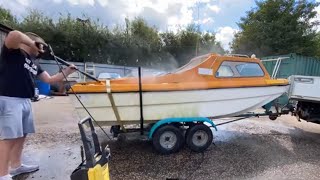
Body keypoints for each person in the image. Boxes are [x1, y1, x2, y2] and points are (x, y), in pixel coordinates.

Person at [0, 30, 76, 180]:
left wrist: (67, 71)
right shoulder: (13, 52)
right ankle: (2, 174)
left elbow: (49, 79)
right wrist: (31, 43)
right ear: (31, 42)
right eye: (40, 46)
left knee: (22, 135)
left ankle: (16, 166)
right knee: (9, 137)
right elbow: (14, 34)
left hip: (25, 100)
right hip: (9, 100)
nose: (41, 50)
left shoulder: (34, 63)